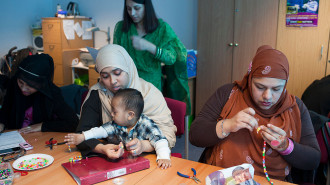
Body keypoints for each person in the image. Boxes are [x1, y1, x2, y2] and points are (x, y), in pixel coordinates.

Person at [189, 45, 321, 181]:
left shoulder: (295, 107)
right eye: (260, 87)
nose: (267, 96)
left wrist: (285, 146)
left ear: (285, 85)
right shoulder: (229, 94)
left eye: (276, 89)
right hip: (223, 179)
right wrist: (227, 125)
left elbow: (313, 160)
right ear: (249, 78)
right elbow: (195, 135)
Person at [76, 44, 176, 160]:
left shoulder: (150, 93)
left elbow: (168, 135)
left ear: (128, 68)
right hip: (111, 159)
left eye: (117, 73)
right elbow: (82, 134)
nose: (113, 81)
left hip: (148, 158)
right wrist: (101, 148)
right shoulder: (97, 94)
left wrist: (143, 146)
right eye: (105, 76)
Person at [113, 0, 191, 114]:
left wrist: (150, 47)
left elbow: (171, 58)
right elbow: (116, 55)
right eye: (129, 9)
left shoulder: (161, 28)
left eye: (137, 8)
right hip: (127, 86)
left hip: (151, 89)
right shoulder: (121, 28)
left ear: (146, 7)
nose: (132, 13)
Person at [65, 88, 171, 169]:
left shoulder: (146, 124)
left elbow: (160, 140)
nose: (111, 114)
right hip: (127, 162)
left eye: (115, 112)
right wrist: (83, 136)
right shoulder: (116, 124)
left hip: (147, 161)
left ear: (130, 115)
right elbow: (100, 131)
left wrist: (164, 157)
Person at [0, 54, 79, 133]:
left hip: (39, 139)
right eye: (21, 82)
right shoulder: (14, 85)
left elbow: (73, 123)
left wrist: (42, 126)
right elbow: (6, 109)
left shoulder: (52, 93)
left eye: (30, 85)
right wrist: (1, 123)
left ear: (41, 84)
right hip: (16, 137)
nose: (23, 88)